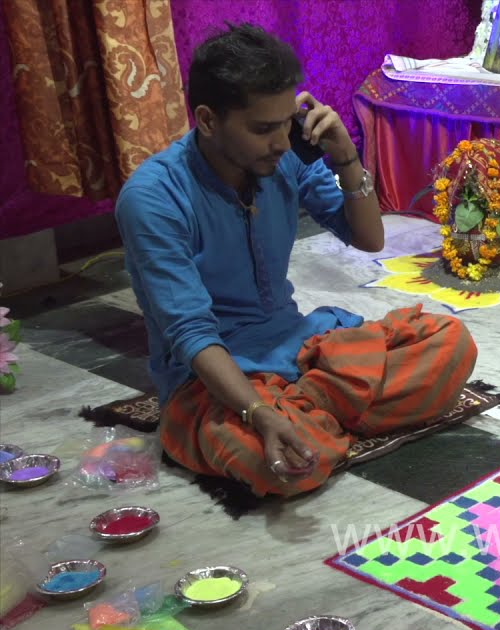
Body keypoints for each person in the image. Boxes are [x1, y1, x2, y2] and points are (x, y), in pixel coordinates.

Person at [116, 24, 477, 497]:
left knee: (450, 342)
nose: (283, 143)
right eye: (263, 129)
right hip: (214, 378)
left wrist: (346, 158)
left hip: (300, 347)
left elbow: (369, 238)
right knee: (281, 465)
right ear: (207, 120)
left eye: (287, 123)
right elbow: (192, 334)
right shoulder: (154, 197)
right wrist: (260, 414)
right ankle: (312, 411)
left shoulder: (283, 161)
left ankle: (309, 407)